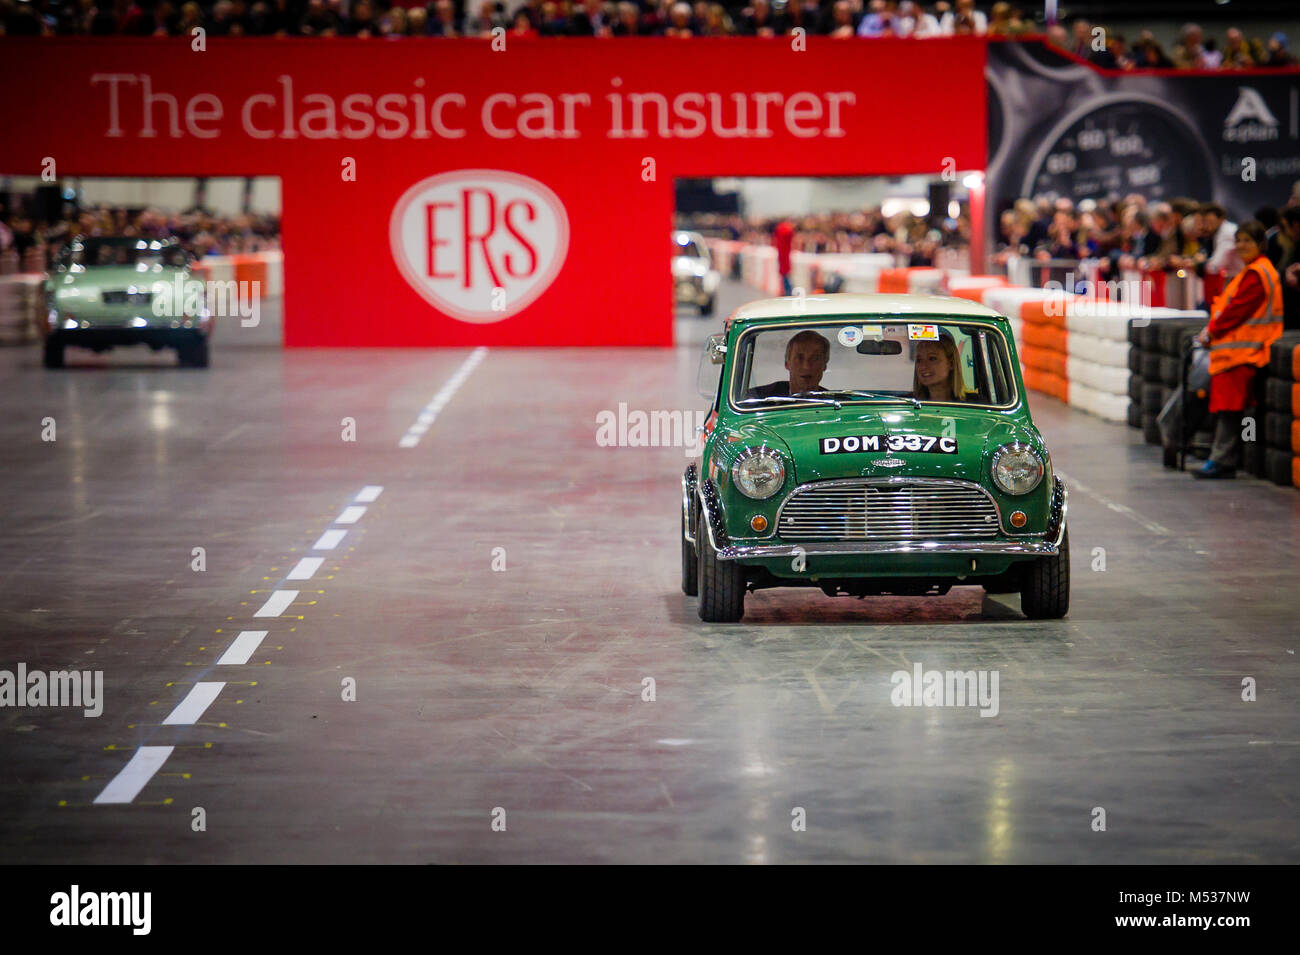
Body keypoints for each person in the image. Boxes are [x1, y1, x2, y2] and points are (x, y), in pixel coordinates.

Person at [1192, 221, 1284, 478]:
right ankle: (1220, 458)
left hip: (1243, 353)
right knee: (1225, 409)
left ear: (1261, 244)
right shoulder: (1251, 271)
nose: (1242, 246)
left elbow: (1235, 312)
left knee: (1229, 411)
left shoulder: (1256, 273)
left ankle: (1221, 460)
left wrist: (1210, 333)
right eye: (1239, 240)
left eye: (1248, 241)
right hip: (1234, 351)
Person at [746, 330, 830, 399]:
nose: (806, 366)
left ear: (824, 365)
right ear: (787, 363)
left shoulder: (836, 403)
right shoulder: (759, 399)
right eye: (799, 358)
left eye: (815, 358)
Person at [913, 335, 967, 402]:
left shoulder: (974, 405)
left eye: (932, 358)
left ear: (951, 364)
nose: (923, 366)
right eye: (919, 360)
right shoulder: (907, 403)